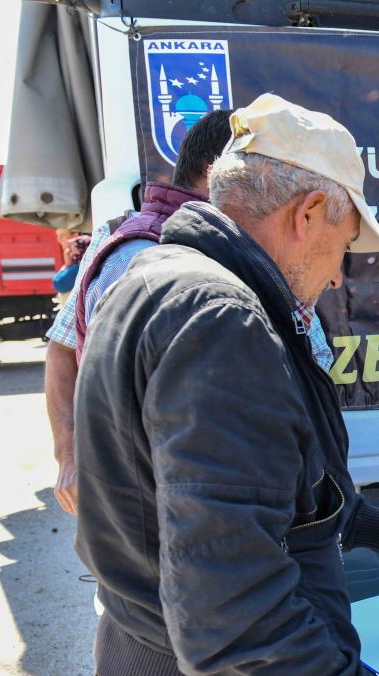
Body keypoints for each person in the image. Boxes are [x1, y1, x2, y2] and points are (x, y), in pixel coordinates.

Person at [74, 93, 379, 676]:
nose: (344, 275)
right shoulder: (224, 319)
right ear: (308, 212)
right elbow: (230, 599)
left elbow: (246, 488)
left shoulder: (161, 278)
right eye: (345, 241)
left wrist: (378, 525)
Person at [44, 110, 236, 514]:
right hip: (145, 501)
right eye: (254, 176)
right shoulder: (133, 250)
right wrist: (69, 455)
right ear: (214, 172)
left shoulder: (240, 247)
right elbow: (63, 351)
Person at [50, 234, 90, 304]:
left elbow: (58, 283)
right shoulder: (86, 264)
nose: (70, 249)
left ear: (81, 248)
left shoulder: (79, 268)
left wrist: (67, 265)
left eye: (74, 246)